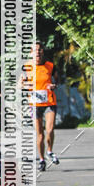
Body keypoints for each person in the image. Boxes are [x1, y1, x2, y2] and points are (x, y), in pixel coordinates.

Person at [24, 43, 60, 171]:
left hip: (49, 102)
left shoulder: (50, 66)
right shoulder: (26, 67)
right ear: (31, 53)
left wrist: (53, 85)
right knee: (40, 135)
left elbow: (57, 80)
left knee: (50, 130)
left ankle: (49, 151)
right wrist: (25, 86)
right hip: (34, 104)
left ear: (42, 52)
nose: (37, 53)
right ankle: (41, 159)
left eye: (39, 50)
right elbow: (19, 84)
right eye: (34, 51)